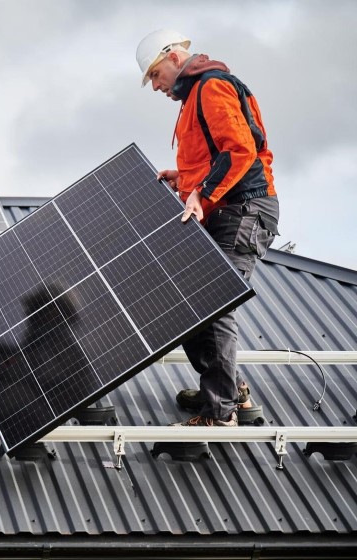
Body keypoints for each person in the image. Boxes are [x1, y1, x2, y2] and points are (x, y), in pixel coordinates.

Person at [136, 30, 280, 427]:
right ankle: (231, 389)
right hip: (224, 208)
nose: (156, 86)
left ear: (173, 56)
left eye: (154, 75)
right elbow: (212, 157)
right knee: (189, 305)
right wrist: (184, 178)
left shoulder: (212, 85)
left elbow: (239, 150)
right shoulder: (193, 97)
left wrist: (200, 192)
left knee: (213, 302)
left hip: (243, 210)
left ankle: (220, 411)